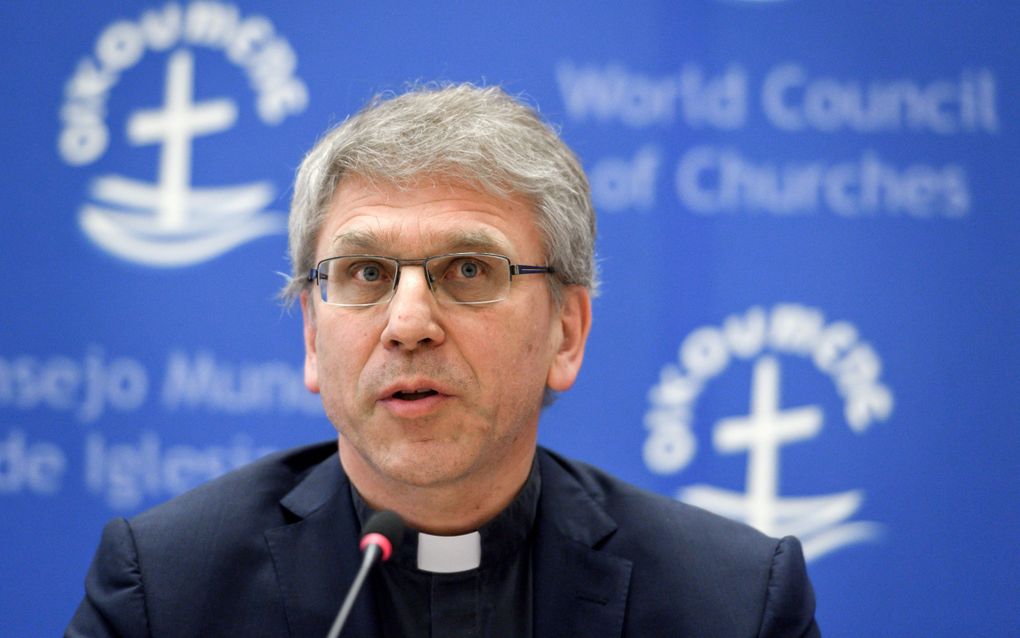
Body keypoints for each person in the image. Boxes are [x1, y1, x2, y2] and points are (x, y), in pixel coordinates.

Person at [67, 83, 820, 637]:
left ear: (566, 331)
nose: (408, 324)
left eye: (468, 271)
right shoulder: (164, 592)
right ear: (310, 335)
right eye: (365, 274)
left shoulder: (730, 603)